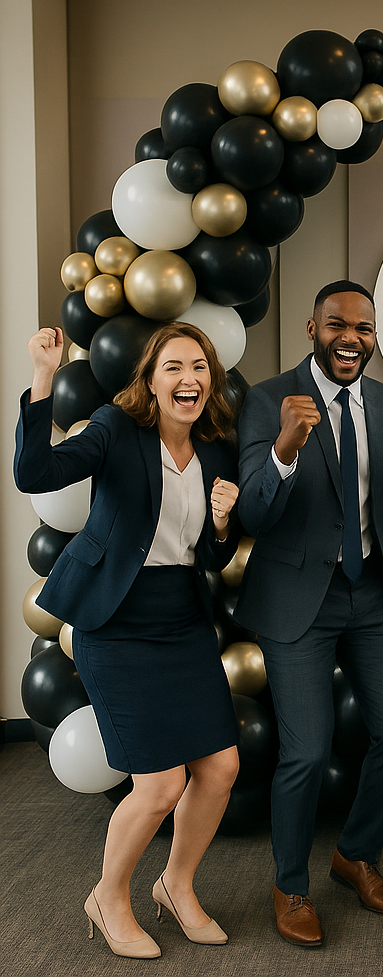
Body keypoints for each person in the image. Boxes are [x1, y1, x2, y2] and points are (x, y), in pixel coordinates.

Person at [234, 280, 383, 948]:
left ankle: (355, 855)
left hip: (370, 597)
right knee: (306, 753)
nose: (350, 338)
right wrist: (284, 449)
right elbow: (252, 510)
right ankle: (290, 885)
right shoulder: (270, 399)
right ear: (313, 327)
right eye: (337, 325)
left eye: (363, 328)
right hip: (298, 600)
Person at [14, 322, 242, 960]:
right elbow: (35, 473)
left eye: (198, 367)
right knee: (160, 783)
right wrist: (43, 375)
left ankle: (176, 885)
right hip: (114, 621)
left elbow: (213, 555)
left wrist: (223, 522)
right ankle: (109, 897)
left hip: (182, 619)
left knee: (220, 768)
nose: (187, 379)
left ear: (211, 379)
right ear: (150, 379)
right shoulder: (117, 430)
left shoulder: (216, 449)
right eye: (172, 367)